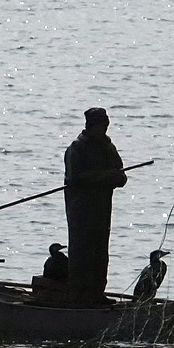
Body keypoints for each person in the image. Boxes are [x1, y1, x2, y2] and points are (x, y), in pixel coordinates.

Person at [63, 108, 128, 306]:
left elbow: (120, 173)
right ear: (91, 126)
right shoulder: (77, 148)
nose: (104, 130)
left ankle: (97, 292)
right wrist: (104, 176)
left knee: (100, 251)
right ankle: (79, 295)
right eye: (101, 126)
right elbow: (75, 178)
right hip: (81, 210)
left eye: (106, 126)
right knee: (82, 250)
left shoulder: (108, 147)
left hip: (101, 209)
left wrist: (116, 177)